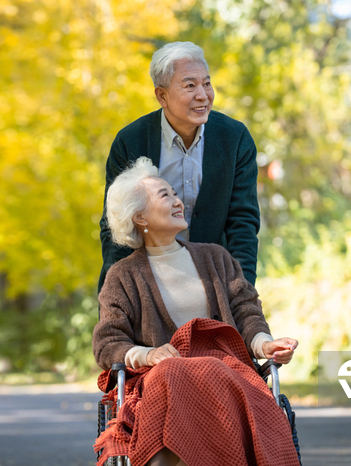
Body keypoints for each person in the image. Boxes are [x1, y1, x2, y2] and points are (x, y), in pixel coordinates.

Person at [93, 158, 300, 466]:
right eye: (165, 196)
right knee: (169, 369)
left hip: (228, 371)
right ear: (140, 216)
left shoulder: (217, 258)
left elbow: (246, 313)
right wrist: (148, 356)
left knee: (191, 369)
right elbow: (108, 343)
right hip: (165, 383)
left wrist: (264, 344)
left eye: (175, 194)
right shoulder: (122, 276)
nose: (178, 201)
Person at [99, 41, 261, 292]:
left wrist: (242, 293)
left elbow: (243, 224)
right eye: (189, 85)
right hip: (149, 282)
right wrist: (117, 296)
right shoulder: (131, 142)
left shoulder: (235, 139)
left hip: (214, 279)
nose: (203, 95)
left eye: (207, 83)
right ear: (161, 95)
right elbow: (117, 227)